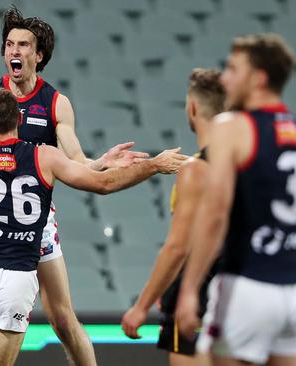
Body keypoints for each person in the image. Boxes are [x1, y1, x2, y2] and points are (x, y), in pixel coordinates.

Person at [0, 7, 188, 365]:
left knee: (61, 316)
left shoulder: (56, 103)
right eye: (9, 44)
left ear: (38, 55)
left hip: (37, 224)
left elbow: (77, 160)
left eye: (23, 45)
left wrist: (100, 162)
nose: (14, 51)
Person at [175, 34, 296, 366]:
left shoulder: (231, 127)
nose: (225, 77)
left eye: (233, 68)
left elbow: (216, 213)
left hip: (248, 286)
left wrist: (190, 288)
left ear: (259, 78)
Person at [121, 68, 225, 366]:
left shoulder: (197, 171)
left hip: (197, 296)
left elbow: (178, 246)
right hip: (247, 293)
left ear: (192, 108)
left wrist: (141, 306)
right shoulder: (248, 164)